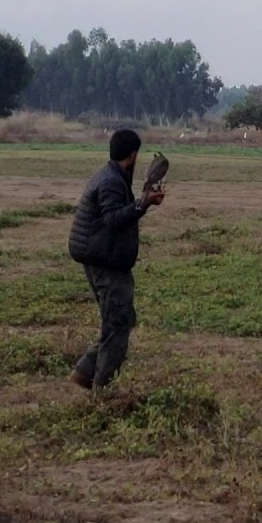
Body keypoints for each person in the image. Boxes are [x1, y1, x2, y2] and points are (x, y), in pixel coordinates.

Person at [66, 129, 165, 390]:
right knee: (118, 325)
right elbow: (112, 219)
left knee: (122, 320)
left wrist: (143, 199)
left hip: (101, 257)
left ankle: (85, 371)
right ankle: (102, 390)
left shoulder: (110, 176)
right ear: (132, 155)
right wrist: (143, 204)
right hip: (106, 263)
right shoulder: (111, 181)